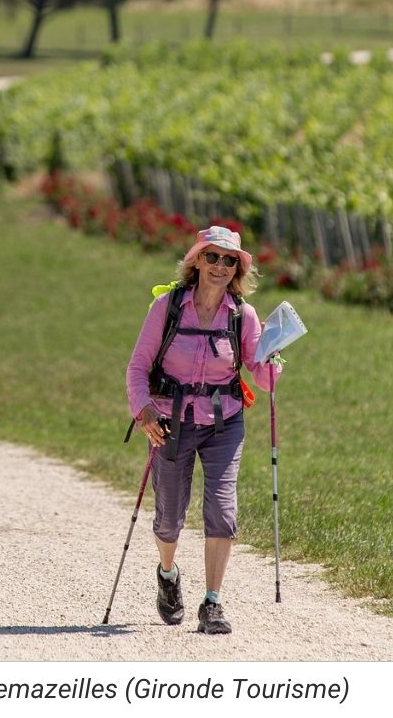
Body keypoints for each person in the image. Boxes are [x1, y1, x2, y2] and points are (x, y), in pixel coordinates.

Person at [124, 225, 274, 635]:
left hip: (224, 423)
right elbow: (138, 368)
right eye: (213, 257)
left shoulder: (242, 315)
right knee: (169, 516)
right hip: (171, 422)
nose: (220, 266)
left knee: (222, 511)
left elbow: (262, 376)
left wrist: (273, 359)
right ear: (196, 261)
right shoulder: (168, 308)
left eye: (230, 260)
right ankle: (168, 575)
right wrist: (145, 413)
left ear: (238, 268)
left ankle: (212, 603)